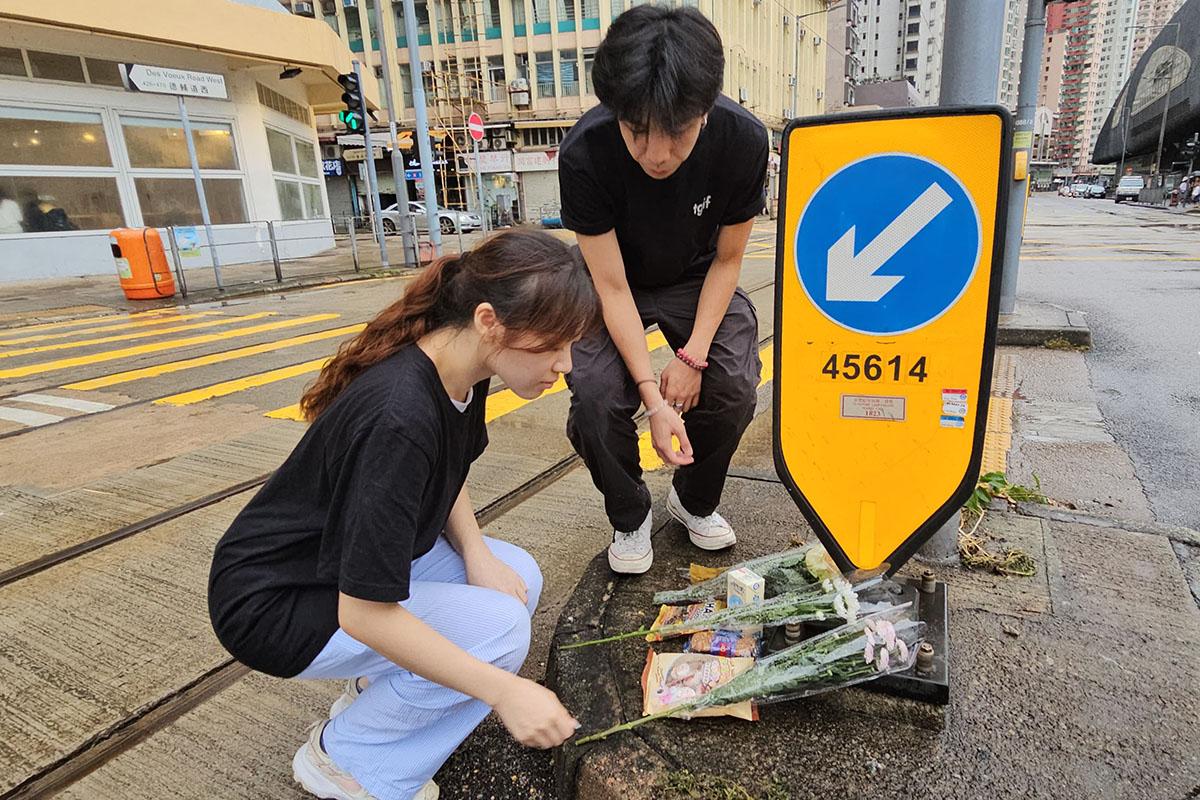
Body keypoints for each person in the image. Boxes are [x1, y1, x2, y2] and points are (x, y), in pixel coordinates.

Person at [207, 230, 599, 800]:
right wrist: (504, 691)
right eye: (554, 344)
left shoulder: (459, 368)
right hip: (276, 602)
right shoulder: (399, 415)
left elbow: (447, 469)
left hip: (330, 566)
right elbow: (364, 613)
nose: (565, 364)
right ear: (489, 322)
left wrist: (476, 552)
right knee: (500, 634)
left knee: (518, 579)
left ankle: (378, 694)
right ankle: (348, 760)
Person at [558, 5, 768, 575]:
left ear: (705, 110)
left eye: (676, 132)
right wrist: (653, 398)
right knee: (596, 395)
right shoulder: (584, 152)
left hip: (696, 273)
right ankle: (629, 514)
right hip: (612, 278)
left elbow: (728, 261)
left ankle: (693, 499)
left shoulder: (744, 140)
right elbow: (610, 286)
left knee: (733, 385)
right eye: (635, 130)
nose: (656, 153)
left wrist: (693, 356)